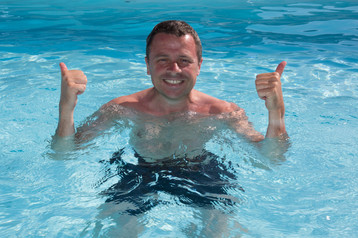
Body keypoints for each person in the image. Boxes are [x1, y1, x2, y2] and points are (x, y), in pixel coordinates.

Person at [56, 20, 287, 149]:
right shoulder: (122, 108)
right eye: (163, 59)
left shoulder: (223, 112)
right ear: (148, 65)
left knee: (219, 234)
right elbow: (64, 154)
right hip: (139, 172)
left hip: (203, 173)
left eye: (184, 60)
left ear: (199, 65)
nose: (174, 70)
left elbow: (272, 158)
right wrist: (66, 110)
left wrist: (276, 113)